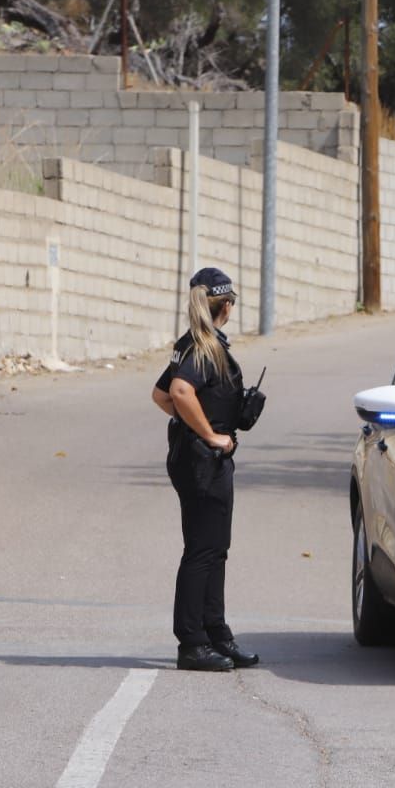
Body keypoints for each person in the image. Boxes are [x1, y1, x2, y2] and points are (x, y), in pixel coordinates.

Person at [150, 267, 260, 672]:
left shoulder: (196, 344)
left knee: (216, 549)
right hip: (203, 460)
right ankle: (192, 643)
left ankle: (216, 633)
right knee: (202, 550)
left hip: (199, 458)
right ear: (226, 306)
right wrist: (210, 435)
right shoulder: (203, 348)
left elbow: (162, 395)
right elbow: (177, 392)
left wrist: (191, 423)